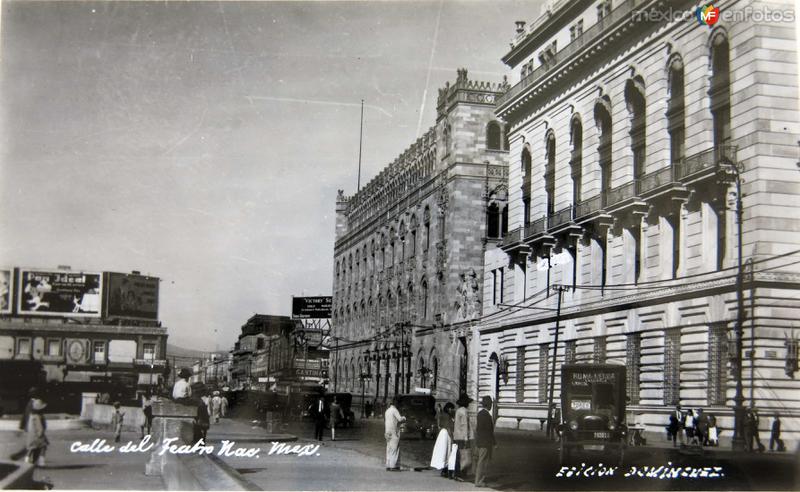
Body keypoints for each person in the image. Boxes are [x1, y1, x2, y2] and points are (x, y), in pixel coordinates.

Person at [474, 396, 496, 488]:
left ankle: (478, 479)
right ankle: (478, 481)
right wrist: (494, 443)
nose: (491, 406)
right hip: (485, 442)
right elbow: (489, 431)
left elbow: (478, 429)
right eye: (491, 404)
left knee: (479, 460)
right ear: (488, 405)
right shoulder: (487, 416)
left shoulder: (479, 414)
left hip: (479, 440)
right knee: (482, 462)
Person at [452, 394, 472, 481]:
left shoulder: (458, 411)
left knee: (458, 455)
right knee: (464, 456)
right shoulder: (464, 411)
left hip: (457, 436)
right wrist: (466, 438)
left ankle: (456, 473)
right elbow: (465, 425)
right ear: (466, 403)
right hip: (463, 437)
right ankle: (462, 474)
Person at [430, 402, 454, 477]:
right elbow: (448, 427)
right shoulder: (447, 416)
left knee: (442, 452)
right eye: (451, 408)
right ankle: (446, 469)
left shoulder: (442, 414)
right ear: (448, 408)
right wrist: (452, 438)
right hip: (446, 434)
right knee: (447, 452)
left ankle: (443, 469)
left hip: (442, 433)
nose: (451, 410)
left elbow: (439, 424)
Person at [384, 396, 406, 471]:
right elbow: (400, 419)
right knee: (395, 448)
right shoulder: (395, 410)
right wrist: (404, 418)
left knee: (389, 448)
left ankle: (388, 464)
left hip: (387, 431)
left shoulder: (387, 411)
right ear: (397, 403)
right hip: (394, 431)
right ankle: (393, 466)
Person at [25, 397, 48, 467]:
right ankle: (41, 462)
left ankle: (27, 460)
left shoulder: (32, 416)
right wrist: (41, 434)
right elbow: (39, 427)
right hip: (37, 436)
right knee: (43, 447)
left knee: (31, 448)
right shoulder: (38, 416)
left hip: (32, 435)